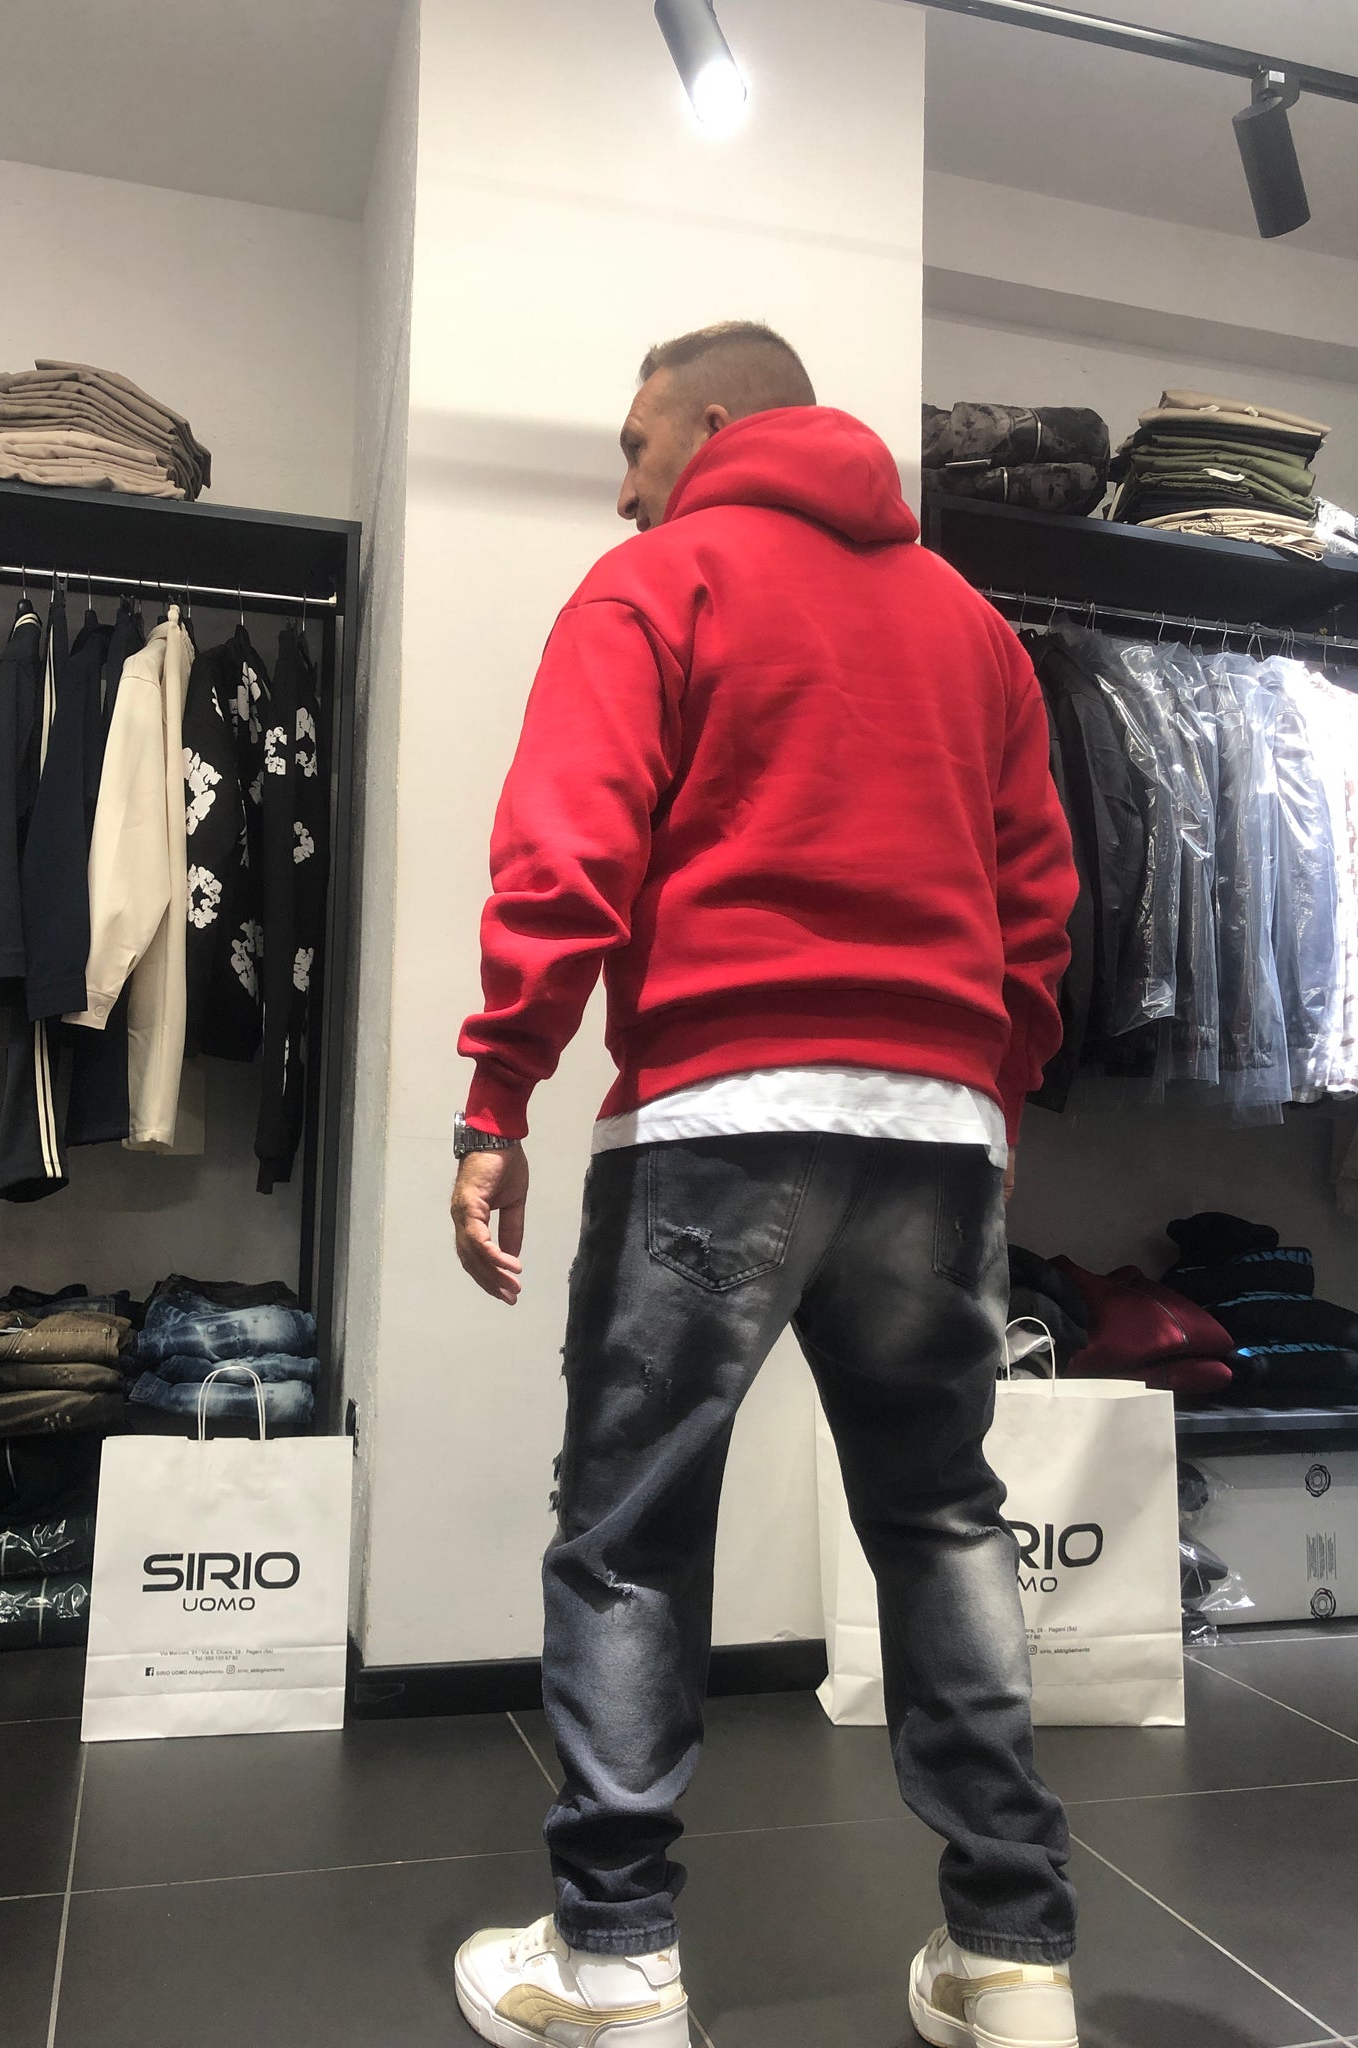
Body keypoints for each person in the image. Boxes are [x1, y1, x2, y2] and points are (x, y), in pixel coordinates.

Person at [448, 321, 1081, 2048]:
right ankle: (1014, 1963)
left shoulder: (658, 583)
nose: (622, 484)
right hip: (937, 1126)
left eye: (635, 442)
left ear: (717, 422)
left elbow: (567, 844)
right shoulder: (970, 626)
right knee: (940, 1516)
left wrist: (499, 1090)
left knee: (634, 1532)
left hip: (723, 1113)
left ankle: (616, 1964)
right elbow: (1038, 895)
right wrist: (986, 1086)